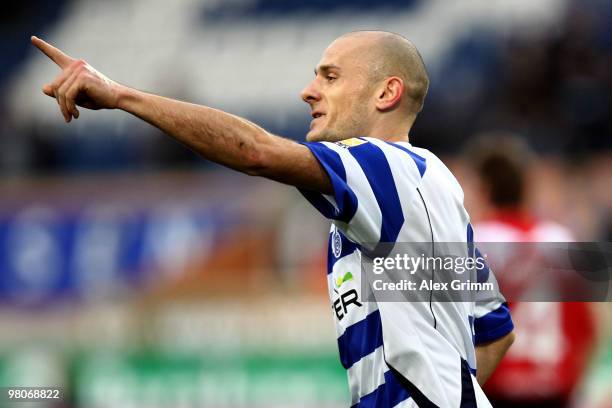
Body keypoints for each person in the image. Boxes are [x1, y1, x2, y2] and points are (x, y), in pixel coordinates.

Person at [31, 31, 515, 407]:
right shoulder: (429, 188)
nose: (307, 92)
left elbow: (257, 152)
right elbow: (495, 332)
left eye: (329, 76)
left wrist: (120, 97)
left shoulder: (379, 163)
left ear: (386, 93)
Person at [465, 134, 598, 408]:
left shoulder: (474, 243)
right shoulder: (563, 241)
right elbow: (589, 329)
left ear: (484, 188)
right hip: (555, 391)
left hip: (494, 390)